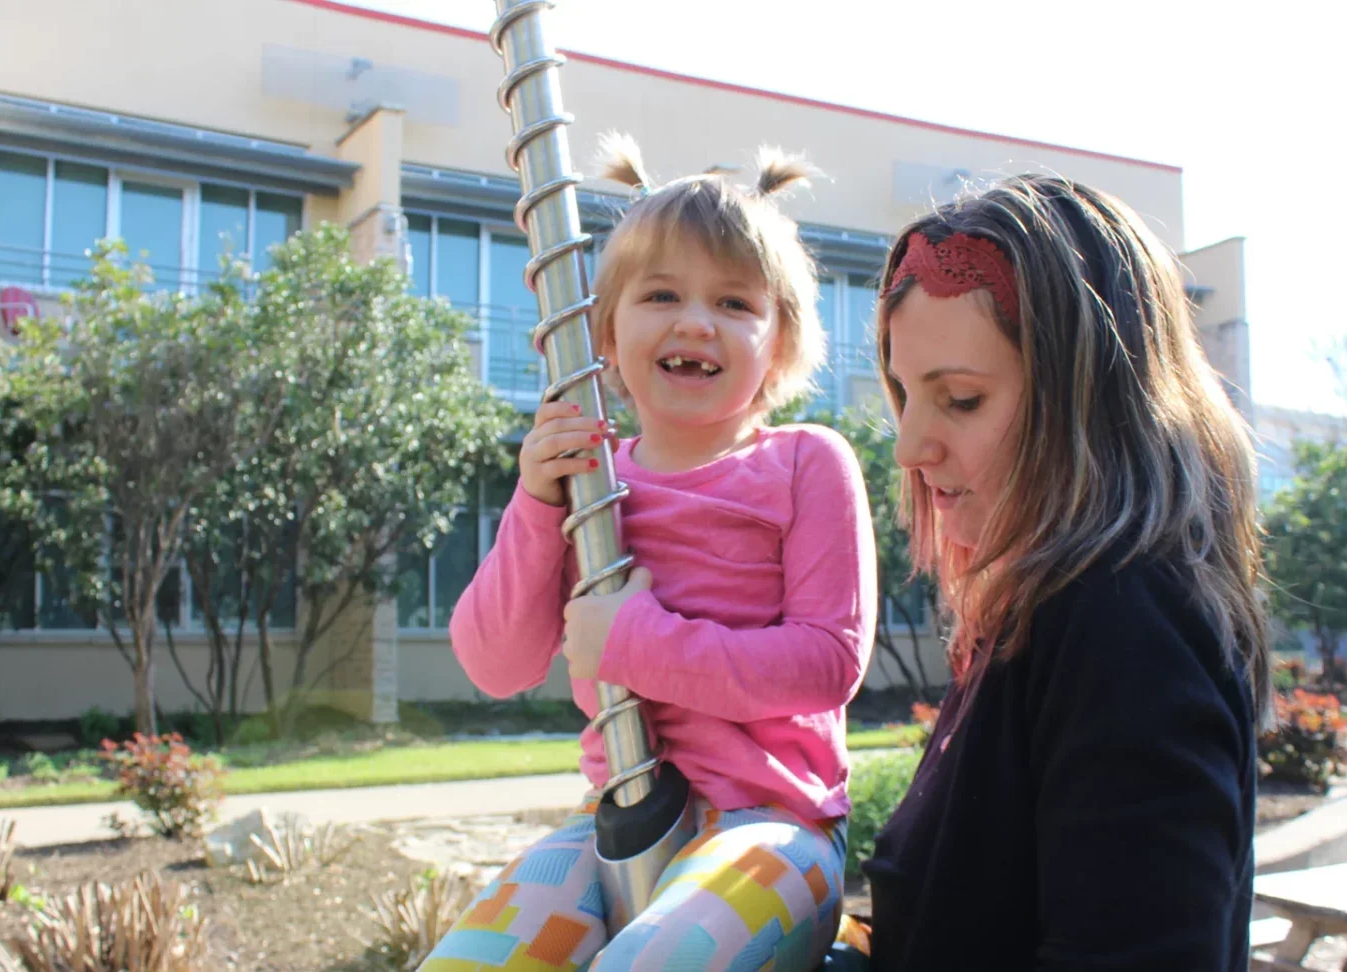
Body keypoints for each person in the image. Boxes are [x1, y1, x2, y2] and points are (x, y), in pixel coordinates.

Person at [425, 134, 876, 972]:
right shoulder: (589, 487)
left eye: (734, 303)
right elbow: (495, 663)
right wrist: (536, 504)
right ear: (603, 332)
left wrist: (638, 641)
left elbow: (828, 662)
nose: (695, 321)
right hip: (618, 821)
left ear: (780, 343)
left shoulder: (806, 463)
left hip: (777, 829)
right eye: (662, 293)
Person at [859, 174, 1271, 970]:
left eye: (962, 399)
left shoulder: (1122, 625)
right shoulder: (1048, 612)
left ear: (1092, 407)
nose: (909, 446)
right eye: (905, 395)